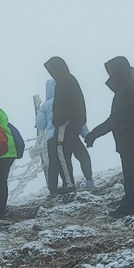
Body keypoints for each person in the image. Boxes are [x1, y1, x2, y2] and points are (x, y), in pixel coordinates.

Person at [85, 56, 134, 216]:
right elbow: (113, 121)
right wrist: (94, 134)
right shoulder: (122, 90)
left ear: (120, 69)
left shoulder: (132, 85)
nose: (109, 74)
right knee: (130, 174)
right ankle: (130, 204)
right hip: (127, 140)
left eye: (111, 70)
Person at [35, 79, 94, 194]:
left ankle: (56, 188)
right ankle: (89, 179)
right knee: (82, 155)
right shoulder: (66, 101)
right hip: (71, 133)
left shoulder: (44, 106)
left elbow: (40, 125)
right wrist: (86, 135)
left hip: (52, 137)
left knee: (57, 162)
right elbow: (78, 119)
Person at [44, 56, 88, 193]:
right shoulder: (70, 80)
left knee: (61, 151)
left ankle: (69, 184)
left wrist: (58, 120)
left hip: (65, 122)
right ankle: (77, 181)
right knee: (74, 152)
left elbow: (63, 105)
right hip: (73, 121)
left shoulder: (63, 82)